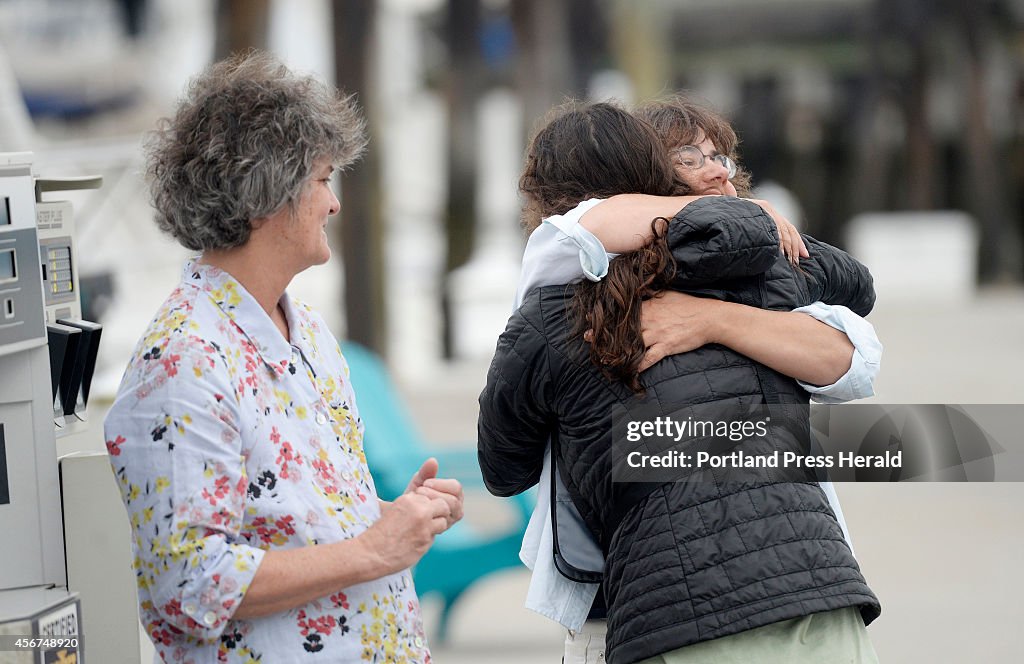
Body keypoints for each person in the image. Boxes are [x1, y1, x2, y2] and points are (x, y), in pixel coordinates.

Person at [478, 102, 880, 664]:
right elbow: (856, 303)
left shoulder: (553, 313)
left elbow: (502, 469)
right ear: (652, 183)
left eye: (720, 158)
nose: (715, 172)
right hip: (817, 591)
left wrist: (714, 317)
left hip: (668, 609)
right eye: (689, 160)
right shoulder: (756, 277)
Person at [103, 51, 462, 663]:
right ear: (266, 191)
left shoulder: (309, 334)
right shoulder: (183, 361)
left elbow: (295, 519)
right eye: (323, 179)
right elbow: (189, 585)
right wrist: (375, 548)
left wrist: (400, 518)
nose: (334, 202)